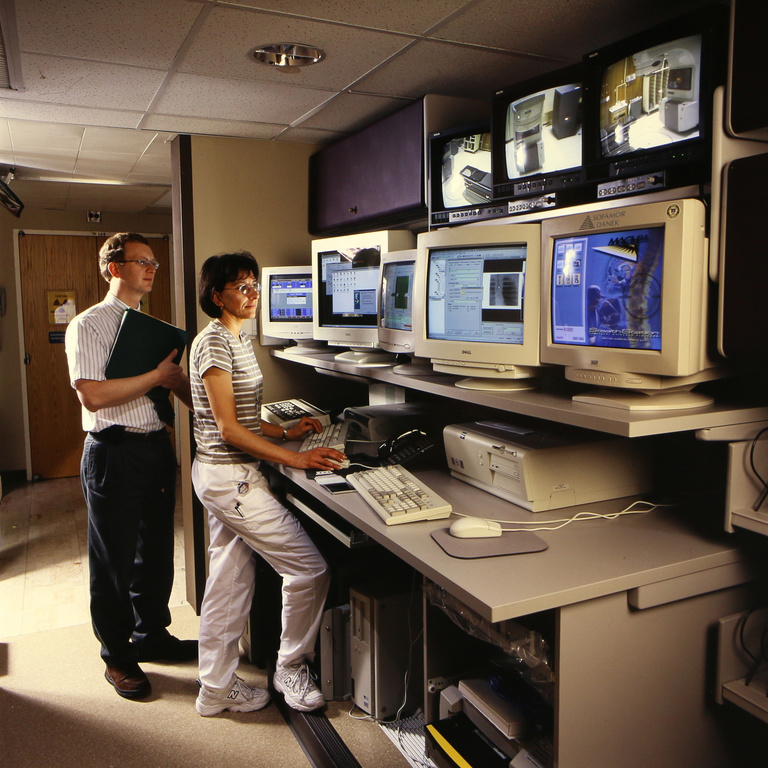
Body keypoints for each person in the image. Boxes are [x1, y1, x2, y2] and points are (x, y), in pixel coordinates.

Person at [189, 250, 343, 717]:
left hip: (225, 475)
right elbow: (228, 429)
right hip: (229, 477)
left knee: (228, 582)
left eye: (255, 284)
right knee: (309, 570)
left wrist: (286, 431)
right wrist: (296, 457)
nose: (253, 293)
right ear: (218, 296)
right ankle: (291, 667)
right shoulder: (214, 343)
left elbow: (247, 418)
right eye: (242, 287)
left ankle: (213, 691)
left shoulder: (236, 338)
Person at [64, 232, 196, 701]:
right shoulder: (88, 325)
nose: (152, 269)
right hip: (112, 452)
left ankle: (152, 635)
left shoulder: (149, 329)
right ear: (114, 267)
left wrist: (189, 390)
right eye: (142, 261)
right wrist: (158, 376)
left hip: (155, 449)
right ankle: (117, 655)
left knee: (156, 552)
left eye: (154, 263)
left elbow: (175, 388)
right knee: (113, 560)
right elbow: (94, 395)